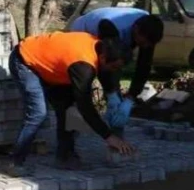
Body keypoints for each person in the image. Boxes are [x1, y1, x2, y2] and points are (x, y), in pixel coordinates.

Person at [7, 31, 135, 175]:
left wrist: (112, 95)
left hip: (54, 64)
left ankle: (65, 156)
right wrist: (109, 136)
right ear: (104, 58)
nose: (114, 71)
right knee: (38, 113)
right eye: (114, 67)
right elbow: (85, 106)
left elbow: (103, 76)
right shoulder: (83, 65)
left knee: (68, 109)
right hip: (25, 60)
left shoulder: (99, 48)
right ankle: (15, 162)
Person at [69, 7, 165, 127]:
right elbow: (105, 63)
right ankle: (74, 120)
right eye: (143, 43)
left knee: (116, 76)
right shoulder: (112, 27)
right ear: (136, 29)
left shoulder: (149, 30)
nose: (144, 46)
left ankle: (114, 126)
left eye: (148, 44)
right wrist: (111, 93)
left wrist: (130, 99)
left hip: (112, 38)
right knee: (84, 80)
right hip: (83, 32)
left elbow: (143, 66)